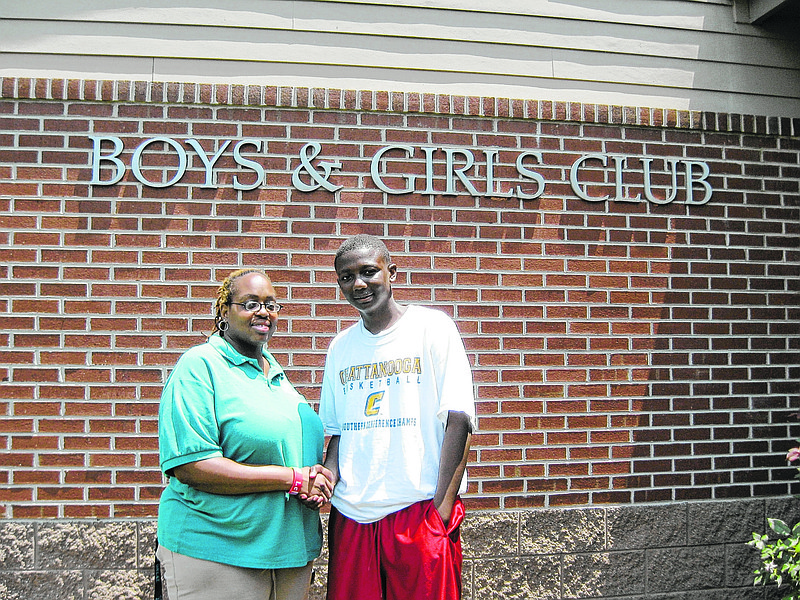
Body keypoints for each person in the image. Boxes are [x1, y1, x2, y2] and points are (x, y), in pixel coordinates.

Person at [156, 268, 335, 600]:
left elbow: (286, 455)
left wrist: (315, 482)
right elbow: (192, 466)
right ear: (224, 311)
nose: (263, 311)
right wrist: (292, 478)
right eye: (250, 303)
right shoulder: (200, 367)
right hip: (220, 547)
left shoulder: (277, 376)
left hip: (289, 552)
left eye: (271, 304)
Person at [319, 234, 475, 600]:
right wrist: (325, 480)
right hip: (352, 517)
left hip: (417, 513)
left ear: (392, 272)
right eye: (346, 277)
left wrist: (441, 512)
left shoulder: (432, 328)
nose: (358, 284)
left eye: (368, 272)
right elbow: (340, 433)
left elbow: (459, 420)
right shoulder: (341, 347)